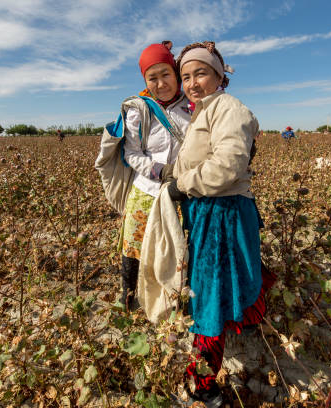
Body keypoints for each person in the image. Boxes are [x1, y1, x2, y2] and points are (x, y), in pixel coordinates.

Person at [166, 41, 275, 406]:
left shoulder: (228, 107)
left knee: (210, 298)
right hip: (209, 211)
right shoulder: (202, 112)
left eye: (201, 73)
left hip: (222, 214)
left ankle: (201, 386)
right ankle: (249, 322)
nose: (193, 83)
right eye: (186, 76)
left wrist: (182, 185)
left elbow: (228, 165)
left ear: (219, 76)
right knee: (221, 286)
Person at [118, 41, 192, 310]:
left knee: (175, 249)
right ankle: (129, 296)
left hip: (182, 192)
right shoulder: (139, 109)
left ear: (176, 74)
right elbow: (131, 154)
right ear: (145, 81)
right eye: (153, 77)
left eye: (166, 75)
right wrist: (161, 171)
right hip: (146, 191)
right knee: (134, 246)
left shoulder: (194, 106)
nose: (160, 83)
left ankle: (173, 301)